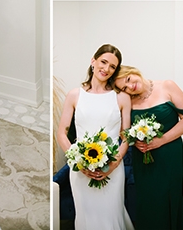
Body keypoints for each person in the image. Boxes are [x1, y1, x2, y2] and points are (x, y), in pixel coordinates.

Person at [56, 44, 133, 230]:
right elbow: (61, 133)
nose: (106, 69)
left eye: (112, 66)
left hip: (113, 170)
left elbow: (126, 137)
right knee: (85, 217)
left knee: (111, 216)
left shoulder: (121, 97)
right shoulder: (74, 95)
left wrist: (113, 164)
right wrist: (78, 162)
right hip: (80, 171)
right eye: (103, 62)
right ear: (93, 61)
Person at [114, 65, 183, 229]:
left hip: (169, 154)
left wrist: (161, 140)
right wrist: (135, 141)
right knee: (147, 200)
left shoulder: (167, 86)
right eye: (124, 88)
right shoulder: (128, 100)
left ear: (133, 72)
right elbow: (123, 131)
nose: (130, 86)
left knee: (170, 196)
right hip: (143, 158)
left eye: (128, 79)